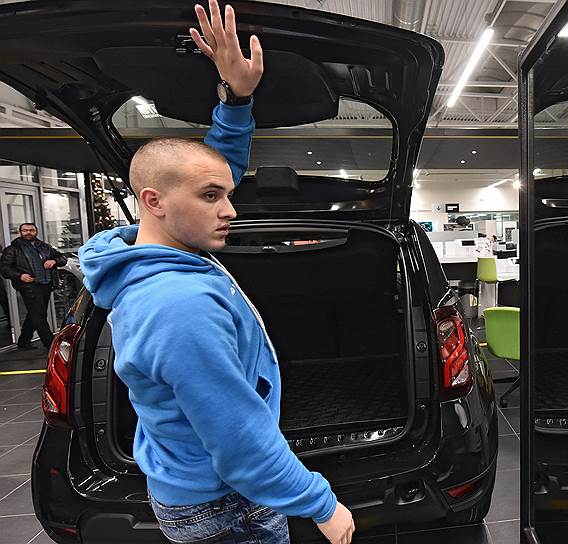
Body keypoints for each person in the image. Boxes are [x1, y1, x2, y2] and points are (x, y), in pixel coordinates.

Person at [77, 2, 354, 543]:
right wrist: (321, 504)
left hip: (195, 485)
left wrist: (237, 99)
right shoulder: (177, 304)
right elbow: (237, 437)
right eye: (213, 197)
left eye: (226, 194)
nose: (230, 210)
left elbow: (208, 169)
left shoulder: (153, 250)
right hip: (225, 505)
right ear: (153, 202)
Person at [0, 222, 67, 350]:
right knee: (39, 316)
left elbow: (63, 258)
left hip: (46, 284)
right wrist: (20, 275)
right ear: (20, 232)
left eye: (31, 230)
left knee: (34, 314)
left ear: (36, 231)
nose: (28, 232)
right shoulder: (13, 249)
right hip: (29, 286)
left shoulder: (45, 247)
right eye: (25, 230)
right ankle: (51, 345)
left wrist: (54, 260)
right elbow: (4, 268)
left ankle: (24, 340)